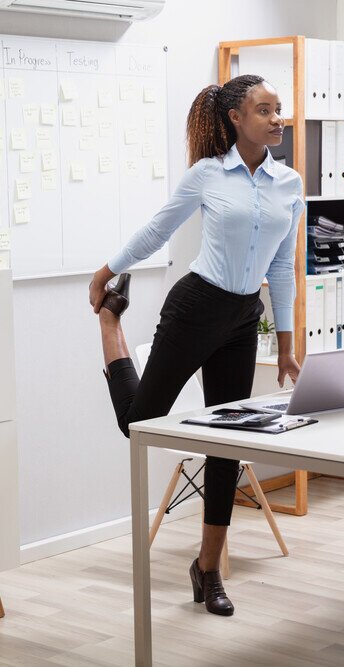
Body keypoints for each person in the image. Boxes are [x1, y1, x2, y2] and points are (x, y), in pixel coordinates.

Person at [89, 74, 304, 617]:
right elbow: (159, 230)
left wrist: (286, 343)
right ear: (235, 117)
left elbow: (282, 266)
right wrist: (106, 272)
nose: (277, 119)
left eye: (279, 109)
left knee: (227, 442)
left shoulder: (289, 184)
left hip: (241, 318)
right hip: (195, 306)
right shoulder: (208, 174)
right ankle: (111, 325)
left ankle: (208, 570)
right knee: (140, 422)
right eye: (264, 110)